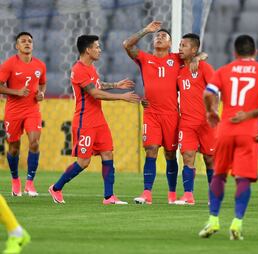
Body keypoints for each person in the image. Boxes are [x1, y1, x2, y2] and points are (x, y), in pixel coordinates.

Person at [199, 35, 258, 240]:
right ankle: (237, 223)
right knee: (243, 179)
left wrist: (211, 111)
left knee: (219, 174)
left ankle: (213, 220)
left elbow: (208, 94)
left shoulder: (224, 71)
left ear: (235, 53)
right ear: (255, 52)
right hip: (249, 132)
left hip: (225, 129)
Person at [48, 35, 140, 205]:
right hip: (85, 122)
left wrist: (116, 84)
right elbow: (95, 93)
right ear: (88, 50)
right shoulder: (78, 69)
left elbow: (98, 85)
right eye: (96, 47)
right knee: (84, 162)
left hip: (99, 120)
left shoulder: (90, 68)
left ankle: (109, 196)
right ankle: (56, 188)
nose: (99, 50)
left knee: (108, 153)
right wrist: (122, 97)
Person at [123, 21, 206, 205]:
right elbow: (127, 44)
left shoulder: (177, 59)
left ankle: (171, 194)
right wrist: (146, 30)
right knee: (151, 150)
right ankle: (147, 193)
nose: (159, 37)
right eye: (157, 36)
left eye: (164, 36)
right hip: (151, 113)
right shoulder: (145, 58)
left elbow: (200, 53)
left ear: (170, 44)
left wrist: (197, 58)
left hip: (171, 115)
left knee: (170, 154)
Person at [0, 32, 46, 197]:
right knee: (14, 148)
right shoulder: (9, 65)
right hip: (13, 111)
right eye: (23, 41)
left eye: (30, 41)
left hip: (32, 110)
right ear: (17, 46)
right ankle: (15, 180)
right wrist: (16, 92)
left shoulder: (40, 65)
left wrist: (41, 93)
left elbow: (42, 83)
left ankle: (30, 183)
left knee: (34, 142)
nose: (27, 43)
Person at [174, 33, 216, 205]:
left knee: (210, 159)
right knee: (188, 156)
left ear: (194, 49)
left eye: (183, 46)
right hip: (187, 122)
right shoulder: (178, 70)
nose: (179, 49)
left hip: (207, 122)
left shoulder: (204, 67)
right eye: (179, 45)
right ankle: (188, 195)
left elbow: (215, 88)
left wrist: (213, 111)